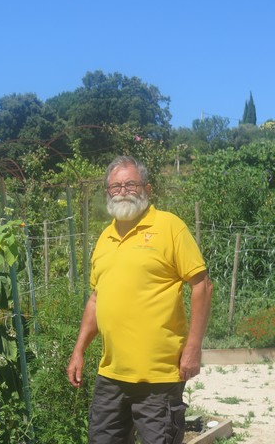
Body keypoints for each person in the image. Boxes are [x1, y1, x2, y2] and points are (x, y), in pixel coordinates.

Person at [66, 156, 213, 444]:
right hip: (111, 375)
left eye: (130, 184)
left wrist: (193, 347)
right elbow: (96, 299)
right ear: (107, 193)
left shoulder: (169, 227)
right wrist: (79, 349)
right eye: (115, 186)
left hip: (158, 378)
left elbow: (202, 286)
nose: (122, 191)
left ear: (147, 188)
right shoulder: (104, 238)